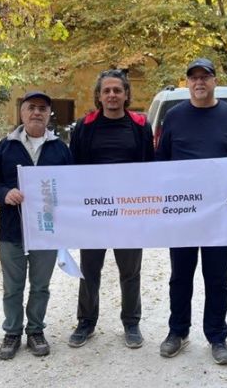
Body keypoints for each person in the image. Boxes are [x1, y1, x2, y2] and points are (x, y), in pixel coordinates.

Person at [155, 58, 227, 364]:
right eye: (194, 78)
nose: (199, 82)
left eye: (205, 77)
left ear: (214, 81)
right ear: (188, 83)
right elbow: (161, 160)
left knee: (217, 277)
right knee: (180, 276)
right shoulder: (173, 117)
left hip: (218, 214)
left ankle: (217, 337)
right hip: (182, 213)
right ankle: (178, 332)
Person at [67, 70, 154, 349]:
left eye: (118, 90)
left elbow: (150, 169)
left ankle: (131, 323)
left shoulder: (140, 125)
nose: (112, 95)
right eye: (107, 91)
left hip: (129, 213)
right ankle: (86, 322)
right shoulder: (84, 126)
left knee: (130, 272)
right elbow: (74, 170)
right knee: (90, 270)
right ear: (99, 95)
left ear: (126, 94)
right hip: (94, 213)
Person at [0, 91, 72, 360]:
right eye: (31, 108)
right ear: (21, 113)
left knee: (40, 285)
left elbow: (71, 187)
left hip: (46, 231)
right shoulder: (5, 146)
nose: (37, 112)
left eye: (42, 109)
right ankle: (12, 332)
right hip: (12, 229)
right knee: (12, 286)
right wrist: (4, 194)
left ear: (49, 115)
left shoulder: (60, 149)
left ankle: (35, 330)